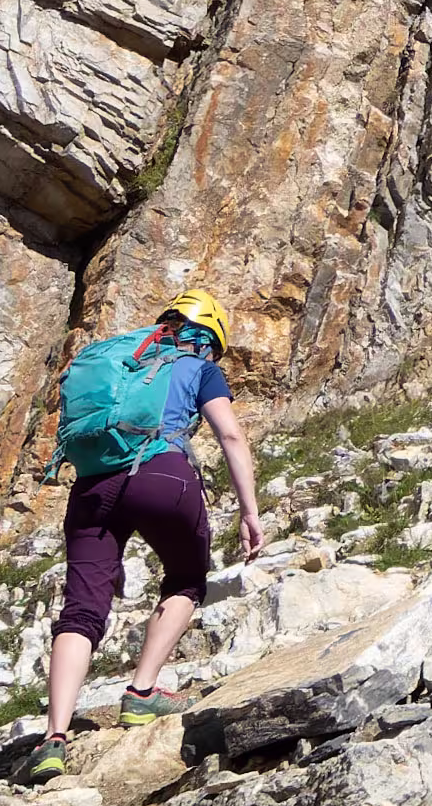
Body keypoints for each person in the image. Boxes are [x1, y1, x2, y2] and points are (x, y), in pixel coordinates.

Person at [35, 285, 262, 780]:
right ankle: (140, 693)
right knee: (185, 579)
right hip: (161, 473)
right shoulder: (199, 367)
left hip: (93, 487)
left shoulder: (124, 360)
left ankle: (53, 738)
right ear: (210, 338)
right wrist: (249, 512)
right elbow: (230, 435)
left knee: (81, 607)